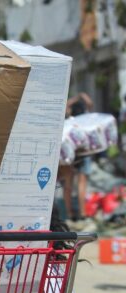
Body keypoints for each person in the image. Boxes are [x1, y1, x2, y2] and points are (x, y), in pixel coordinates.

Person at [60, 92, 95, 228]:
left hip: (70, 153)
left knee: (68, 183)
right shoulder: (86, 122)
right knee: (82, 184)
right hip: (84, 153)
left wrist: (74, 99)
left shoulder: (69, 122)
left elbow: (66, 106)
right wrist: (82, 96)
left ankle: (69, 214)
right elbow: (90, 104)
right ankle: (83, 213)